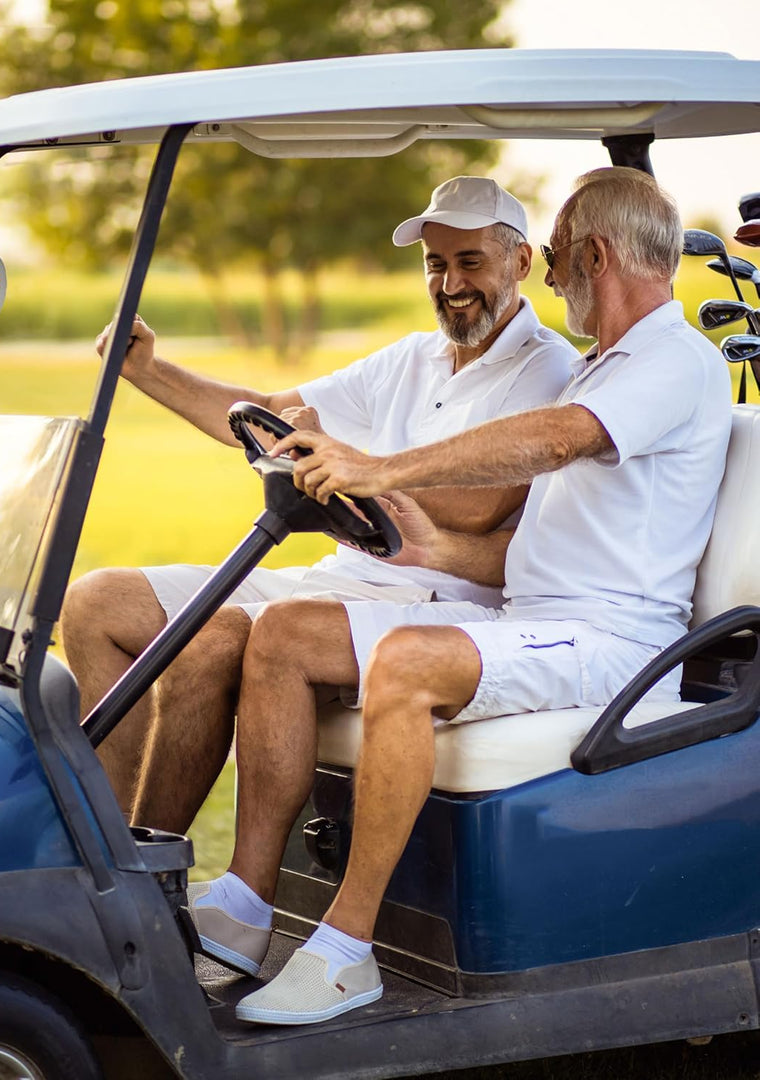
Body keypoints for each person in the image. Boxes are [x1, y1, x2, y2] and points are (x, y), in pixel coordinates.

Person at [186, 166, 733, 1026]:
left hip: (616, 644)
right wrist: (435, 544)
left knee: (408, 661)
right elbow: (533, 549)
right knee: (286, 636)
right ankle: (248, 912)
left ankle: (343, 953)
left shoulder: (671, 360)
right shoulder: (603, 365)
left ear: (594, 253)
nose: (550, 282)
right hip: (537, 622)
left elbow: (555, 441)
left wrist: (381, 465)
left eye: (553, 261)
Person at [62, 177, 580, 826]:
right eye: (436, 265)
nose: (451, 285)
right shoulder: (411, 358)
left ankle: (149, 873)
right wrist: (147, 371)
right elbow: (276, 413)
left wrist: (356, 466)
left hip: (437, 598)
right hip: (341, 579)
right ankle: (107, 850)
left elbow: (479, 506)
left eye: (470, 262)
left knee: (208, 638)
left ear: (522, 261)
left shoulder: (546, 368)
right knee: (95, 604)